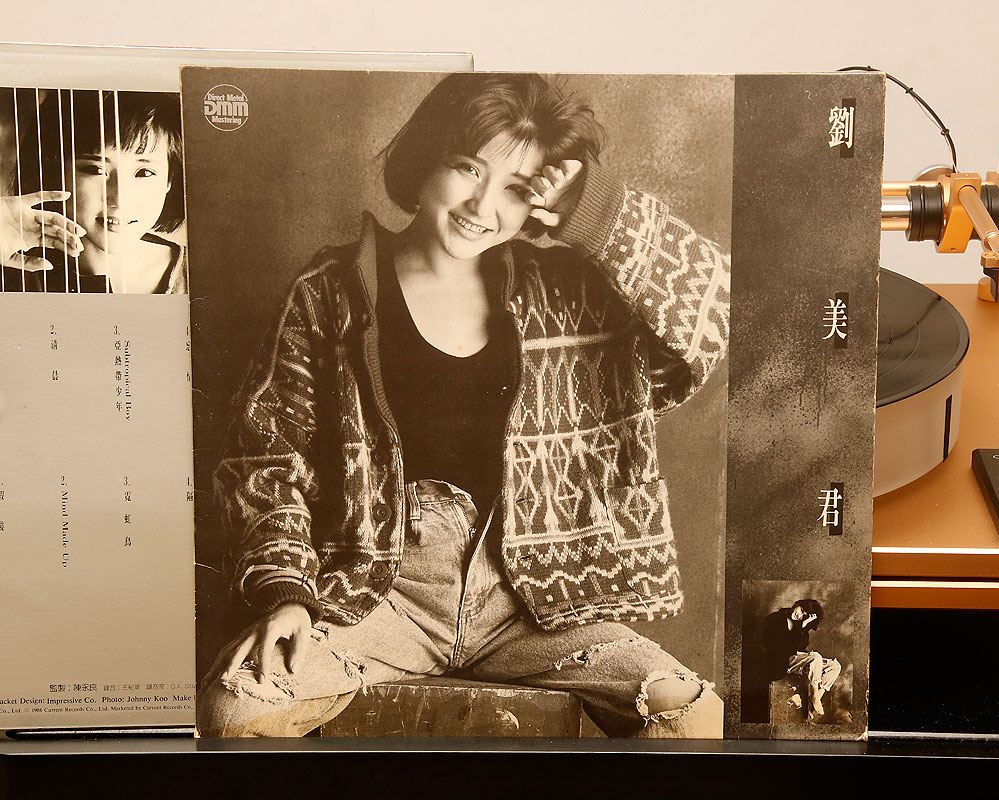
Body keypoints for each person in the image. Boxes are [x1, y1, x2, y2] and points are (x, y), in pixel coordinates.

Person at [198, 73, 731, 738]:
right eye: (466, 168)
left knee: (695, 717)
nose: (483, 204)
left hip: (531, 599)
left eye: (516, 188)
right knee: (236, 708)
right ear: (425, 160)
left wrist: (590, 209)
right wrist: (286, 594)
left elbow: (712, 317)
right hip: (378, 592)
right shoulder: (332, 289)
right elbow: (265, 457)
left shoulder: (567, 295)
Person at [0, 89, 186, 294]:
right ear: (55, 172)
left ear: (169, 180)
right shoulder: (13, 268)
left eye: (145, 172)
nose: (120, 199)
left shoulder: (201, 274)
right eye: (96, 170)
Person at [761, 599, 842, 722]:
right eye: (802, 610)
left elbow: (801, 647)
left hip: (797, 659)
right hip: (780, 660)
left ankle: (815, 697)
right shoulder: (774, 619)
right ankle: (814, 697)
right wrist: (801, 627)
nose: (799, 615)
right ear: (797, 604)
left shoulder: (801, 625)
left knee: (835, 666)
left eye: (804, 616)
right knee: (816, 657)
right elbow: (778, 647)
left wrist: (803, 626)